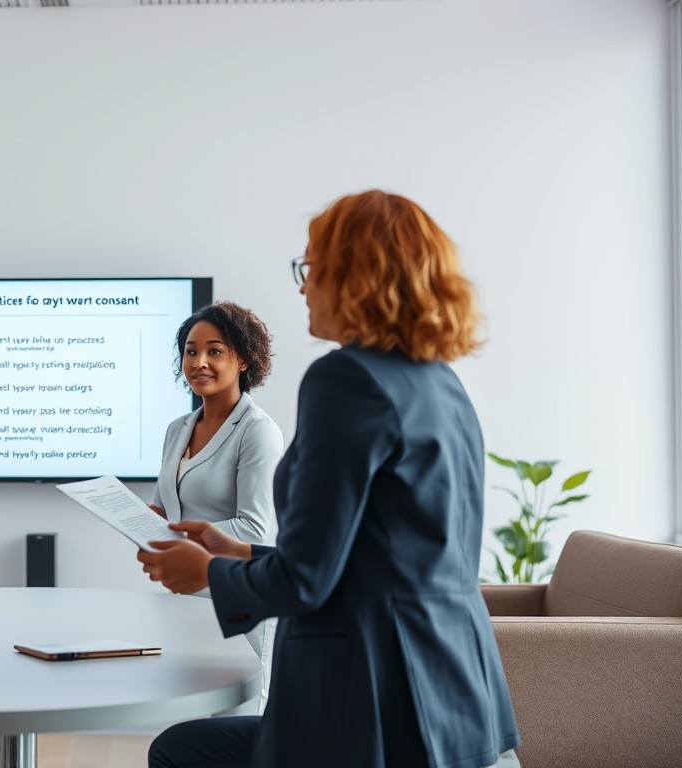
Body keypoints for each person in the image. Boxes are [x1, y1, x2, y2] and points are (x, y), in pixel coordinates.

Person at [138, 190, 520, 767]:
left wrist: (209, 573)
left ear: (355, 276)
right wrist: (241, 551)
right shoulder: (441, 381)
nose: (303, 286)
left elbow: (307, 581)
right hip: (454, 697)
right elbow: (380, 558)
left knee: (179, 752)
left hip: (370, 705)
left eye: (312, 267)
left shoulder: (345, 380)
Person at [150, 301, 283, 713]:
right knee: (185, 725)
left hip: (237, 602)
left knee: (234, 724)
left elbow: (255, 529)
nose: (199, 362)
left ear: (243, 359)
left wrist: (181, 539)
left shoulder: (257, 431)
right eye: (191, 351)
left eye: (215, 351)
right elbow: (166, 509)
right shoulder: (177, 430)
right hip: (183, 600)